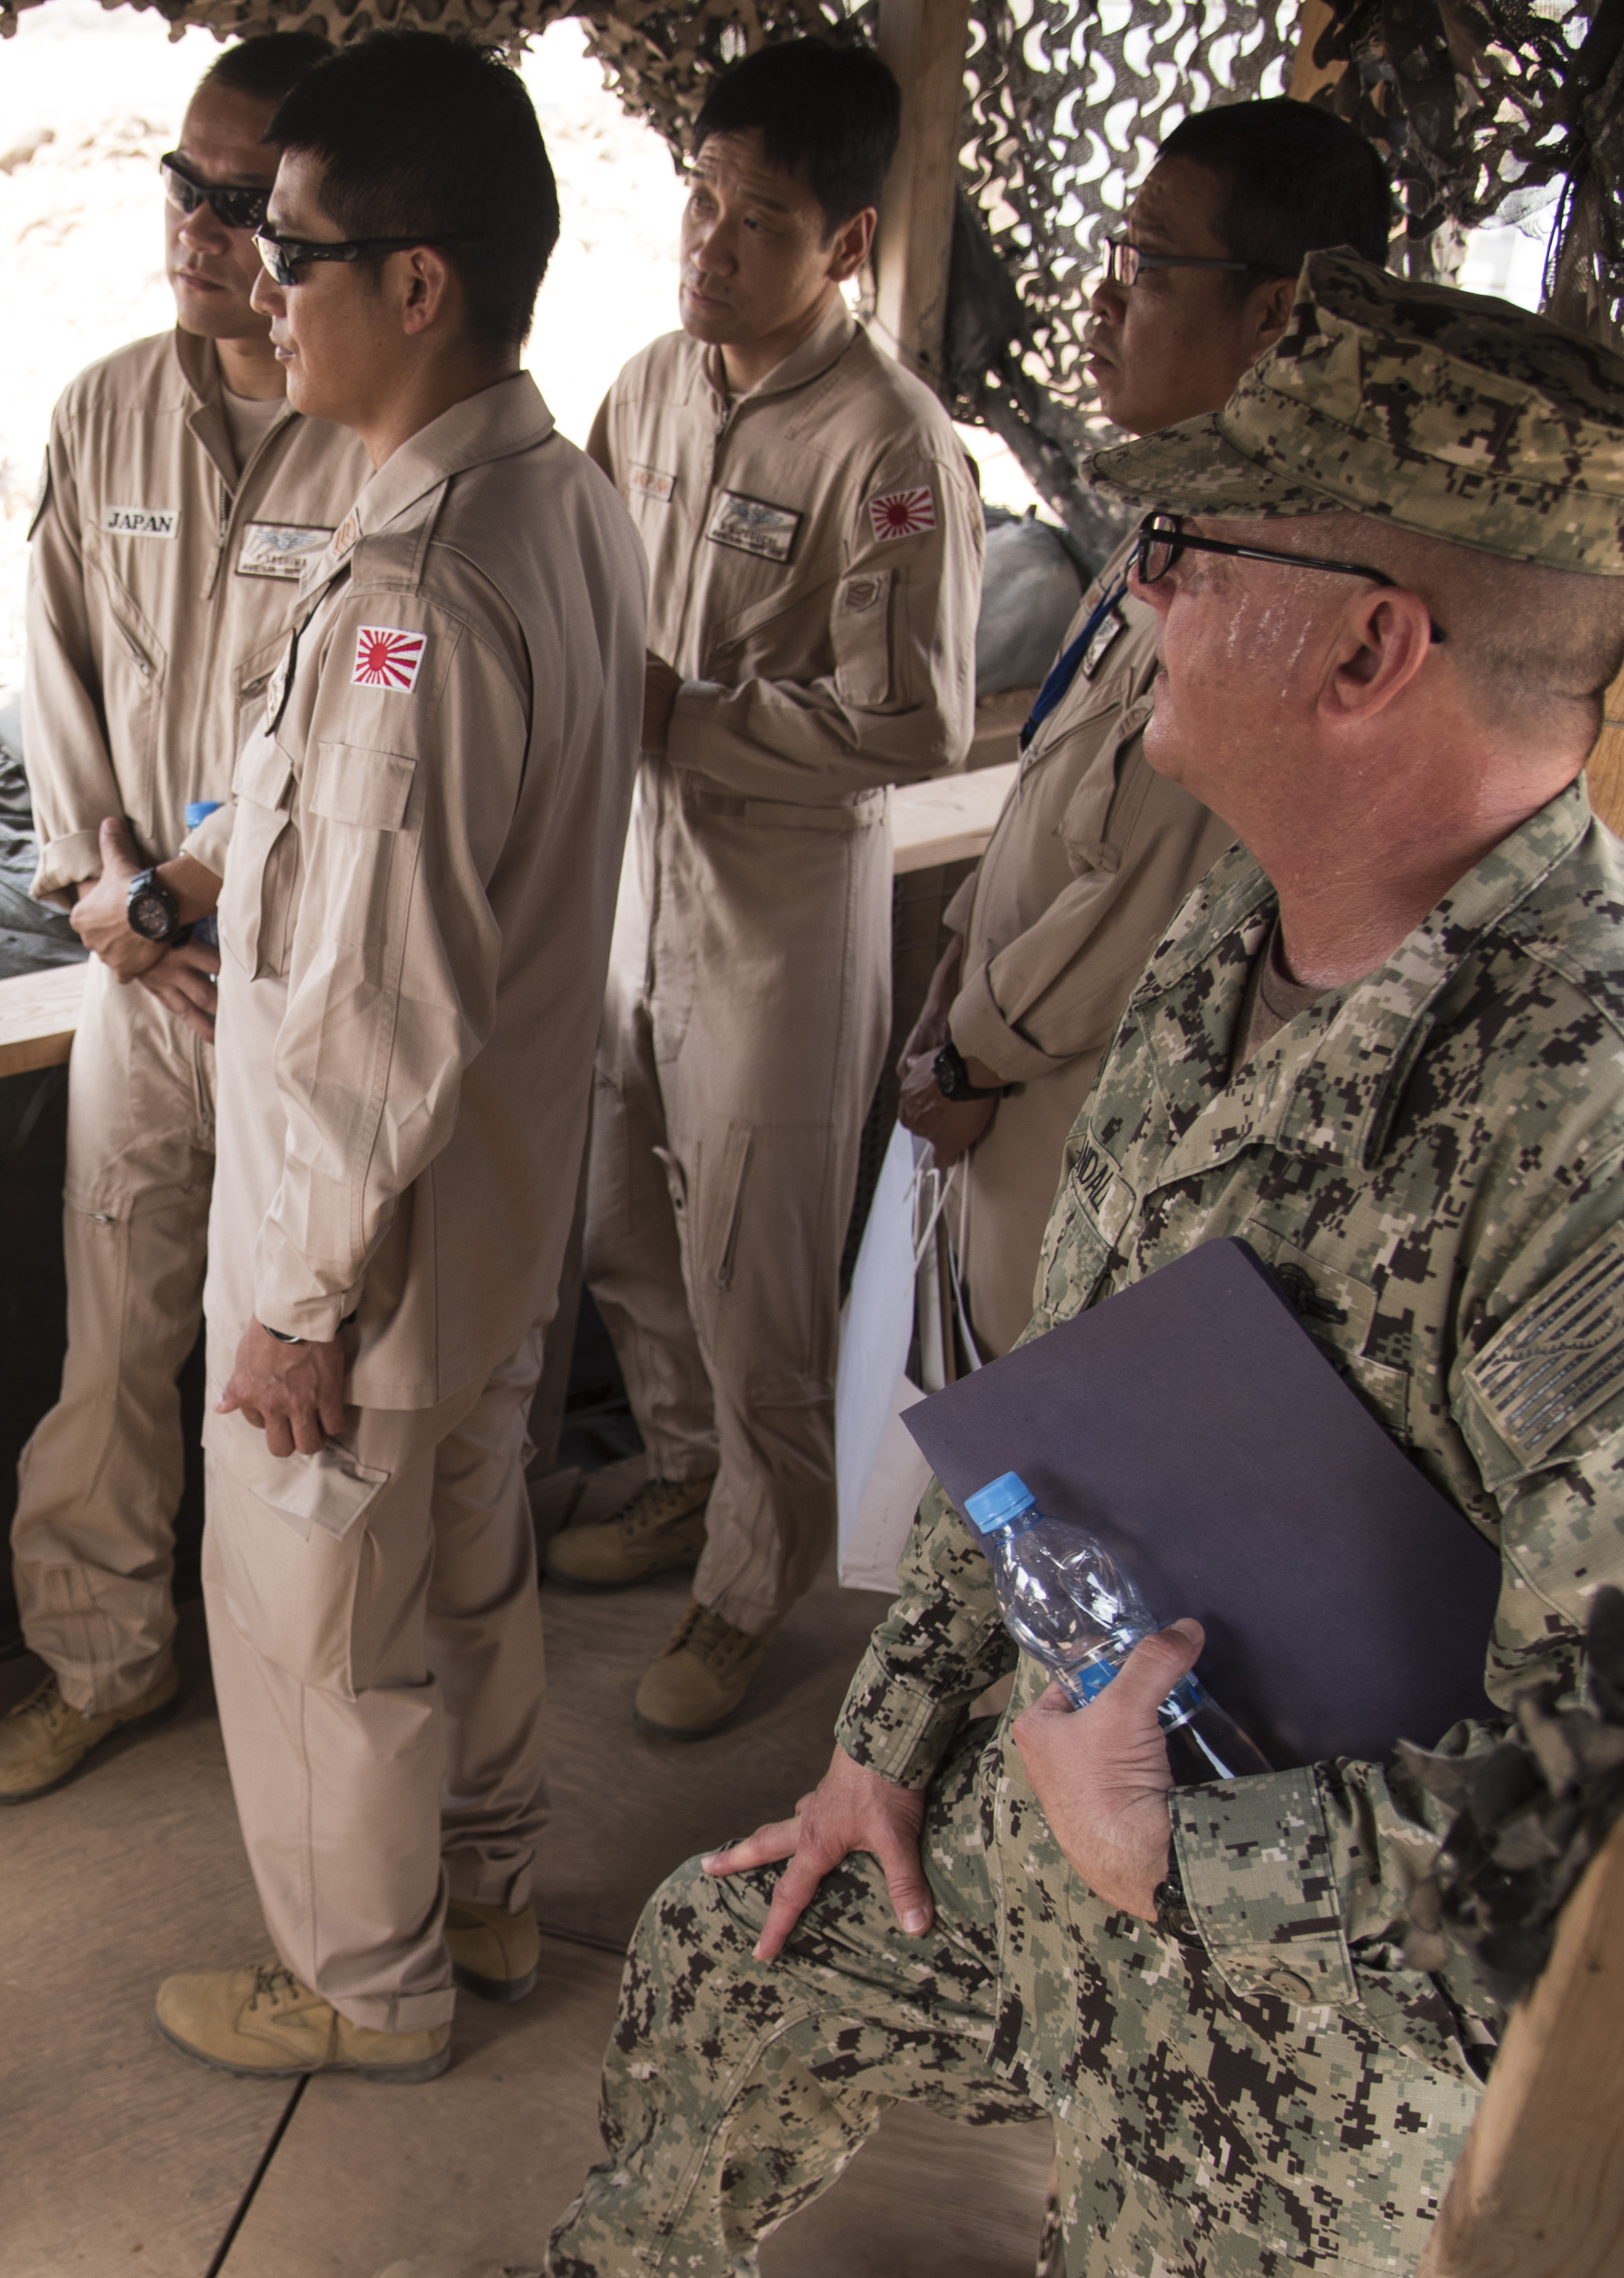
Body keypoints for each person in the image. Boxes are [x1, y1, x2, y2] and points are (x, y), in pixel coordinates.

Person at [362, 257, 1624, 2278]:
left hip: (1324, 2036)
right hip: (1083, 1826)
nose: (1129, 595)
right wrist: (889, 1741)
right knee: (746, 1936)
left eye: (1184, 553)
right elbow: (1058, 1426)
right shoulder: (1242, 940)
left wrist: (1180, 1859)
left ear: (1368, 652)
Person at [128, 30, 642, 2081]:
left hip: (376, 1237)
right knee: (472, 1560)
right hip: (498, 1207)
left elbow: (376, 994)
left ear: (419, 283)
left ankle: (365, 1986)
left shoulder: (408, 597)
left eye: (295, 248)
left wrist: (299, 1300)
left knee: (323, 1619)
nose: (262, 285)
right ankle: (488, 1891)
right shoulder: (559, 501)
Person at [547, 36, 986, 1739]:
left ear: (847, 243)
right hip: (628, 881)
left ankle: (748, 1585)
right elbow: (579, 590)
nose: (711, 248)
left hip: (779, 909)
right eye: (700, 204)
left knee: (756, 1270)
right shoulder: (650, 384)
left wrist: (691, 718)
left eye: (761, 222)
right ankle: (684, 1474)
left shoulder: (890, 447)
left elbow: (917, 724)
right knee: (617, 1214)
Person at [0, 28, 370, 1806]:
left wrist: (192, 903)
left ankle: (309, 1695)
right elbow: (52, 677)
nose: (197, 230)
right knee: (115, 1342)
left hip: (303, 984)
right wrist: (104, 903)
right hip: (133, 978)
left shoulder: (380, 436)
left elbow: (351, 753)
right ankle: (100, 1658)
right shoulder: (105, 409)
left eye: (240, 199)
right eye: (180, 186)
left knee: (308, 1358)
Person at [894, 102, 1391, 1350]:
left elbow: (1150, 888)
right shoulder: (1171, 517)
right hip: (1003, 1072)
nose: (1106, 301)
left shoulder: (1281, 579)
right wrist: (953, 967)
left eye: (1150, 264)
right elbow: (1055, 778)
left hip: (1076, 1119)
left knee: (1027, 1407)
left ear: (1274, 316)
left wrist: (972, 1055)